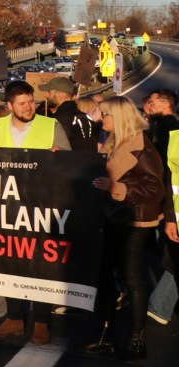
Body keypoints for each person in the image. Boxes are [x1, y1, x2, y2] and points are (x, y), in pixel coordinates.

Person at [0, 79, 71, 346]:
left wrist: (60, 157)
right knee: (11, 264)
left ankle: (42, 322)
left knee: (40, 266)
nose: (29, 107)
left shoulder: (50, 125)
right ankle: (15, 317)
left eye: (31, 101)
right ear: (9, 106)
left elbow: (70, 163)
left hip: (41, 208)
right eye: (22, 103)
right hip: (7, 209)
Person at [84, 96, 166, 360]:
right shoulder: (114, 141)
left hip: (135, 220)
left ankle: (136, 339)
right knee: (105, 277)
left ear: (117, 117)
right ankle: (106, 333)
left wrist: (117, 189)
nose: (101, 117)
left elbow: (155, 187)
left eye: (105, 114)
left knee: (132, 279)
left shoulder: (141, 146)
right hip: (112, 217)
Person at [145, 89, 179, 326]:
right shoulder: (165, 127)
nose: (148, 104)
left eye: (152, 101)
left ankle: (160, 304)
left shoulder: (170, 130)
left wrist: (169, 216)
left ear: (166, 104)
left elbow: (167, 174)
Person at [40, 76, 98, 152]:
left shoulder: (60, 119)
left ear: (60, 95)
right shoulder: (85, 117)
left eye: (49, 92)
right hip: (88, 162)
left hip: (69, 162)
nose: (47, 96)